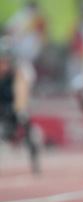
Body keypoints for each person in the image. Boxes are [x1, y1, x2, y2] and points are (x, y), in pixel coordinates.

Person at [0, 37, 40, 174]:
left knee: (26, 121)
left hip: (12, 108)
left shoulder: (17, 73)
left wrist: (20, 109)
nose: (3, 64)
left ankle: (35, 164)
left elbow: (21, 92)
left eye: (6, 60)